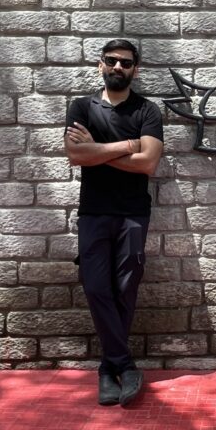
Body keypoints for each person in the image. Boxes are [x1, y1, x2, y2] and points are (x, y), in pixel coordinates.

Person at [64, 39, 163, 407]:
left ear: (136, 69)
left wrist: (98, 152)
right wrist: (126, 146)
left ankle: (108, 370)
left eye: (125, 62)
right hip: (93, 212)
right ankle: (124, 364)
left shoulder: (148, 110)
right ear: (100, 65)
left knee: (125, 288)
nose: (118, 67)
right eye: (111, 61)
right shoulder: (81, 107)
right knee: (94, 287)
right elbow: (75, 155)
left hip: (133, 213)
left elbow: (148, 164)